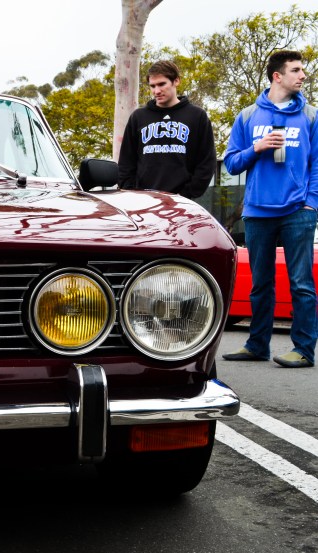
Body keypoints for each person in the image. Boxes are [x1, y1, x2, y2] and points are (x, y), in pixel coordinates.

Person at [222, 49, 318, 368]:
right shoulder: (248, 116)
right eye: (296, 70)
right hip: (258, 211)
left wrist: (310, 202)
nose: (303, 75)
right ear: (278, 76)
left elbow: (316, 164)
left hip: (298, 212)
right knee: (261, 283)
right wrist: (257, 148)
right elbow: (232, 163)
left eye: (302, 70)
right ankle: (256, 345)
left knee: (301, 282)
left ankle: (303, 349)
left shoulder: (311, 116)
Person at [117, 60, 216, 198]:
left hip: (181, 203)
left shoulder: (197, 116)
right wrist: (133, 193)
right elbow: (126, 163)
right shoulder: (138, 117)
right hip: (143, 202)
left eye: (162, 84)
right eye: (152, 86)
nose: (156, 91)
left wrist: (185, 195)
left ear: (176, 81)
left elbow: (206, 162)